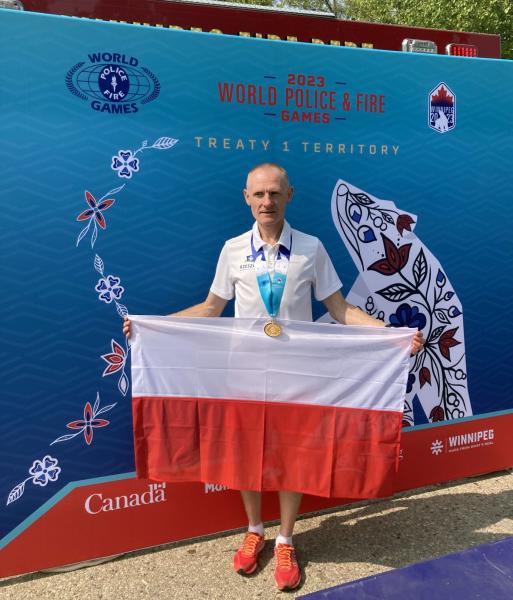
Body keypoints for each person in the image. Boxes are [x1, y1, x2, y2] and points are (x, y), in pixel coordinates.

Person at [124, 163, 424, 591]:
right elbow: (210, 308)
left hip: (296, 374)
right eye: (260, 194)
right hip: (244, 371)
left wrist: (391, 335)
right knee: (244, 454)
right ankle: (254, 530)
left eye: (275, 193)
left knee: (292, 455)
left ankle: (285, 538)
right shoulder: (232, 249)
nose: (267, 202)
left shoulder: (311, 248)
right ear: (247, 197)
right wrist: (153, 328)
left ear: (289, 195)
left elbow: (340, 309)